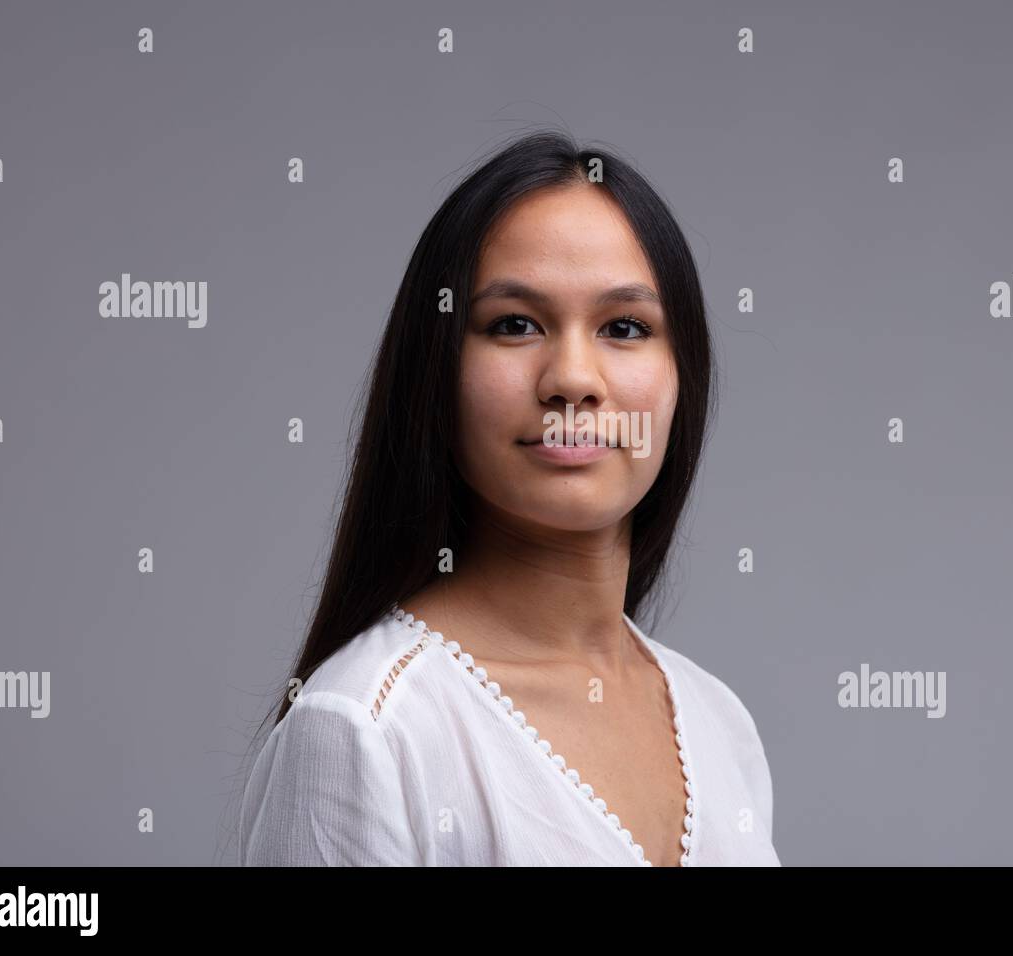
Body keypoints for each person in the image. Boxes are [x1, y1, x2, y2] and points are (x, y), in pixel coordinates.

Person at [238, 129, 780, 866]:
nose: (573, 379)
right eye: (514, 325)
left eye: (625, 327)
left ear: (683, 375)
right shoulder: (367, 730)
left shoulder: (721, 727)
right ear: (436, 371)